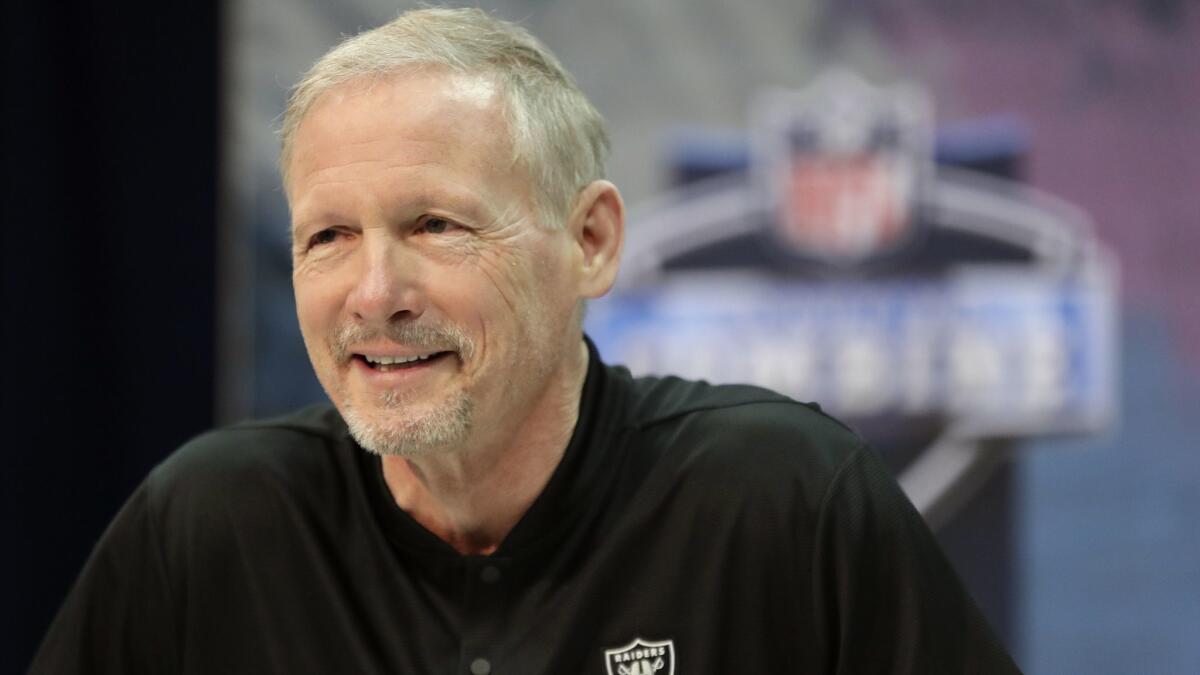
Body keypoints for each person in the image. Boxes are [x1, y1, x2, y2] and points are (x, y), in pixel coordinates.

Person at [30, 8, 1021, 674]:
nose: (375, 295)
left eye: (437, 227)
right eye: (329, 237)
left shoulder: (783, 500)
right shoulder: (211, 527)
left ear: (590, 241)